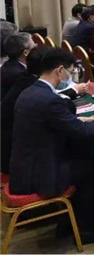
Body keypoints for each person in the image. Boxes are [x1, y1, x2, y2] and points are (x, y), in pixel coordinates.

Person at [9, 47, 94, 244]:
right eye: (69, 71)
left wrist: (81, 121)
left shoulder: (30, 91)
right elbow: (80, 132)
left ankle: (69, 222)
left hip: (25, 165)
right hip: (39, 174)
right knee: (91, 169)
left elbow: (56, 123)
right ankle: (86, 230)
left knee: (83, 158)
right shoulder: (50, 100)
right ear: (59, 70)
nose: (69, 76)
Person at [1, 37, 38, 174]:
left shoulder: (9, 66)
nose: (37, 45)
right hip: (14, 141)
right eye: (34, 44)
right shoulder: (19, 75)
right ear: (26, 52)